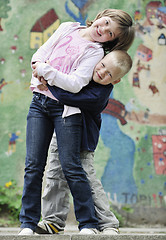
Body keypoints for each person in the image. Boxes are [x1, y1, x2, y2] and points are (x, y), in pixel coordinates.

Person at [19, 9, 135, 236]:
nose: (102, 29)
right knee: (44, 169)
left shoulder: (96, 59)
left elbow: (71, 89)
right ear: (102, 14)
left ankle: (99, 223)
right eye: (106, 23)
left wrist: (47, 77)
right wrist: (39, 68)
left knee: (77, 170)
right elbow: (42, 53)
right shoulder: (70, 29)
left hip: (73, 122)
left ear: (110, 42)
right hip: (45, 109)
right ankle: (41, 222)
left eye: (109, 33)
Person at [34, 50, 133, 235]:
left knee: (86, 177)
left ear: (115, 80)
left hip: (82, 139)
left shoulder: (99, 93)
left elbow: (66, 97)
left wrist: (49, 84)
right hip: (61, 130)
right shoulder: (84, 72)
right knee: (54, 173)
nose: (102, 72)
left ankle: (108, 223)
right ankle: (52, 220)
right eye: (103, 65)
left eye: (109, 74)